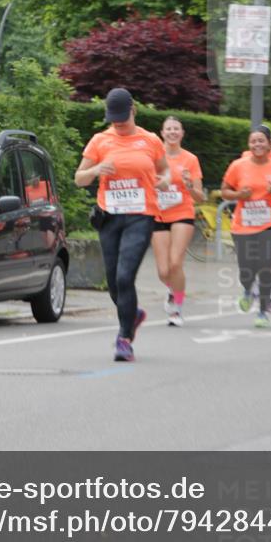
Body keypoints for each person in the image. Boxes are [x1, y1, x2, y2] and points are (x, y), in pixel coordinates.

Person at [75, 88, 170, 362]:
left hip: (141, 215)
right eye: (113, 118)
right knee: (113, 281)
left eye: (122, 117)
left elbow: (164, 170)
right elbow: (79, 178)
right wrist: (95, 170)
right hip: (110, 217)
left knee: (125, 276)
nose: (117, 123)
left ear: (133, 111)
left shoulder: (150, 140)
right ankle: (132, 314)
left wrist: (164, 181)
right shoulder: (100, 140)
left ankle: (124, 338)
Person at [221, 128, 271, 328]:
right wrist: (238, 196)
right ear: (249, 144)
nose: (257, 144)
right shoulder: (238, 166)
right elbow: (225, 191)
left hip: (270, 224)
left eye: (261, 141)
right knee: (246, 269)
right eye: (253, 141)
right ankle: (247, 289)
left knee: (264, 265)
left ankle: (262, 311)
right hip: (243, 225)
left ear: (270, 144)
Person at [151, 116, 204, 326]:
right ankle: (172, 289)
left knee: (175, 263)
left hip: (182, 213)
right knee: (163, 271)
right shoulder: (154, 158)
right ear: (162, 133)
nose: (172, 132)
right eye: (169, 129)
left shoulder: (190, 159)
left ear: (182, 133)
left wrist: (189, 186)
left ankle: (177, 310)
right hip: (158, 214)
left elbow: (200, 197)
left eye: (176, 129)